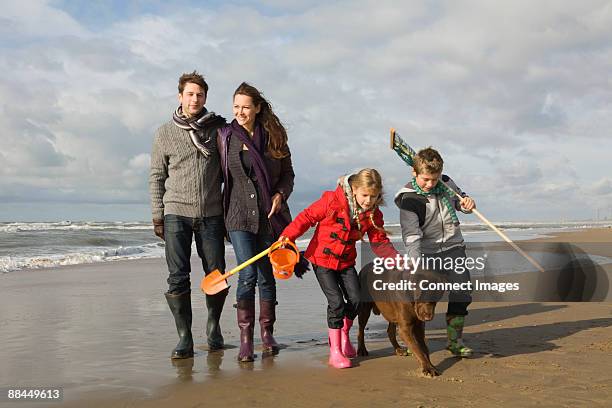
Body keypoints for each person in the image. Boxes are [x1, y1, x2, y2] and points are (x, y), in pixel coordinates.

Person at [278, 168, 399, 369]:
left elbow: (379, 241)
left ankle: (343, 337)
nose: (368, 200)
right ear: (353, 189)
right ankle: (335, 352)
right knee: (336, 303)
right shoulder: (332, 200)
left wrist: (396, 259)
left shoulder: (372, 214)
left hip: (345, 262)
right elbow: (306, 217)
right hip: (321, 259)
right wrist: (287, 236)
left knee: (356, 299)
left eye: (374, 196)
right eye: (365, 195)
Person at [149, 71, 228, 359]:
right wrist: (158, 215)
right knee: (177, 277)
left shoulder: (219, 130)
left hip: (211, 214)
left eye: (200, 94)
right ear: (180, 96)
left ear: (205, 97)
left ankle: (214, 325)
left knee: (217, 275)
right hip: (176, 214)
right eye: (190, 94)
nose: (195, 99)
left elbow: (231, 173)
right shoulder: (164, 133)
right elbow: (157, 176)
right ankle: (184, 337)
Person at [217, 82, 295, 362]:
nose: (240, 112)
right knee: (247, 273)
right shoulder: (226, 136)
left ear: (257, 108)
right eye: (236, 106)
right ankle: (246, 338)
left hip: (268, 216)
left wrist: (280, 194)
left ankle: (267, 333)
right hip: (237, 215)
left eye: (245, 107)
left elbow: (288, 174)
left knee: (266, 275)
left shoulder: (274, 137)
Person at [394, 147, 476, 357]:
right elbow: (411, 236)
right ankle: (410, 335)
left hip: (453, 247)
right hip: (426, 253)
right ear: (414, 173)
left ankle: (454, 341)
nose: (431, 184)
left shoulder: (446, 182)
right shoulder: (409, 199)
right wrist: (417, 266)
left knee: (462, 292)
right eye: (425, 179)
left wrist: (467, 204)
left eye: (434, 179)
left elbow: (460, 201)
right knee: (422, 296)